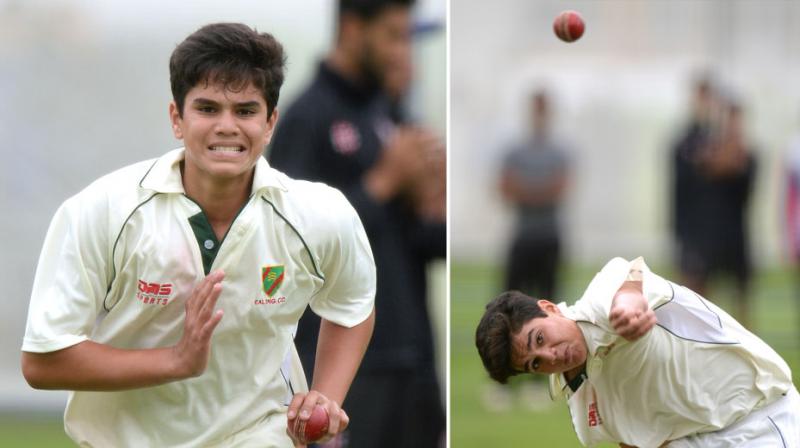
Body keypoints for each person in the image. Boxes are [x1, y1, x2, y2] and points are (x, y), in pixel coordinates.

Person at [21, 23, 376, 448]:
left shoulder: (320, 214)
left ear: (270, 123)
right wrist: (175, 361)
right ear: (177, 118)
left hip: (260, 435)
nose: (227, 126)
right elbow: (43, 360)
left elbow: (352, 305)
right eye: (207, 109)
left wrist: (325, 395)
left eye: (245, 111)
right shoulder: (102, 211)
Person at [268, 0, 446, 446]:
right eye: (392, 35)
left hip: (413, 360)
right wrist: (385, 181)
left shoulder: (389, 111)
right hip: (350, 369)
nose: (400, 51)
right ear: (352, 28)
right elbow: (290, 240)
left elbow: (425, 243)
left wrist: (435, 203)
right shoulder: (306, 117)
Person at [476, 256, 798, 447]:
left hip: (760, 423)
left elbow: (628, 282)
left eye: (540, 340)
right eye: (534, 364)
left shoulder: (603, 297)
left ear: (548, 308)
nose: (550, 358)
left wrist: (629, 307)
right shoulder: (582, 411)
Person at [671, 77, 757, 327]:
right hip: (699, 233)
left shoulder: (745, 151)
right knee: (694, 305)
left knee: (741, 303)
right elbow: (703, 166)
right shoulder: (687, 142)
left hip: (733, 233)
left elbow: (736, 168)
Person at [499, 88, 571, 301]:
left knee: (549, 305)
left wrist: (525, 189)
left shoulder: (559, 152)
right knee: (512, 304)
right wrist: (542, 190)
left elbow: (561, 188)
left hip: (550, 236)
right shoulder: (515, 151)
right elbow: (505, 188)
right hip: (523, 235)